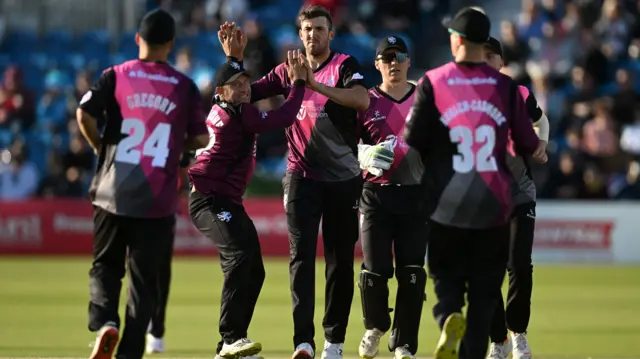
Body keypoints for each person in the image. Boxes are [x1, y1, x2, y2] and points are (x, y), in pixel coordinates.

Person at [219, 6, 370, 359]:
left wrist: (313, 84)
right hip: (301, 176)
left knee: (339, 262)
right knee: (300, 259)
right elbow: (241, 95)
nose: (312, 35)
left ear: (331, 34)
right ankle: (303, 343)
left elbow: (361, 99)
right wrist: (234, 62)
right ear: (299, 34)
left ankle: (333, 343)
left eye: (319, 28)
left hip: (344, 179)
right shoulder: (286, 71)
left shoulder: (345, 66)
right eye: (307, 29)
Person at [401, 7, 546, 359]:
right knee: (484, 291)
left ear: (457, 40)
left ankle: (449, 313)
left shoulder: (433, 82)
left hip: (447, 199)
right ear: (485, 45)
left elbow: (412, 140)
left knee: (447, 277)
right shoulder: (506, 88)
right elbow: (528, 144)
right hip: (493, 204)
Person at [77, 9, 209, 359]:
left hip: (111, 191)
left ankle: (107, 321)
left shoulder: (116, 75)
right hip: (157, 199)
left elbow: (84, 113)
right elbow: (201, 136)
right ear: (171, 44)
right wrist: (174, 142)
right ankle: (130, 351)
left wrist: (98, 147)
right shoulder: (184, 87)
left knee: (105, 266)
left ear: (138, 39)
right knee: (144, 284)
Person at [188, 42, 308, 359]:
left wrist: (233, 62)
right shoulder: (239, 116)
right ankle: (230, 338)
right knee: (240, 258)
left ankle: (233, 344)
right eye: (237, 85)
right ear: (220, 90)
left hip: (224, 202)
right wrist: (297, 83)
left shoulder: (221, 105)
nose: (245, 89)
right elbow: (285, 115)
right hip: (209, 201)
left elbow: (232, 83)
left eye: (246, 83)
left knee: (255, 271)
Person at [354, 36, 427, 359]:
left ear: (409, 61)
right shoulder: (364, 100)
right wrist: (364, 154)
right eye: (387, 58)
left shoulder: (425, 100)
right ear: (377, 64)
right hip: (376, 195)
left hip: (416, 195)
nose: (393, 63)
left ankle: (405, 345)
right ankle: (375, 326)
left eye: (399, 57)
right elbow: (346, 146)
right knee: (375, 270)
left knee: (412, 273)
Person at [483, 36, 549, 359]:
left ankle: (518, 333)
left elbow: (541, 120)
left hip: (520, 192)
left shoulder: (520, 93)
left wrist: (542, 143)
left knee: (519, 266)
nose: (485, 62)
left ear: (501, 62)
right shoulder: (461, 97)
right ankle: (498, 340)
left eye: (491, 56)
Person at [145, 154, 192, 355]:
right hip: (137, 201)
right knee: (142, 269)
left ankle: (155, 330)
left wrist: (181, 185)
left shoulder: (176, 127)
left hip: (162, 204)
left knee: (159, 271)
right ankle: (144, 324)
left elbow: (185, 159)